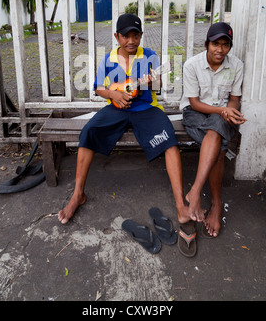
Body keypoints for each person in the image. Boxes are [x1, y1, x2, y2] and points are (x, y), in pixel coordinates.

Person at [58, 13, 192, 229]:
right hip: (116, 108)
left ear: (141, 36)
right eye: (126, 36)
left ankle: (180, 205)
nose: (131, 40)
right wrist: (114, 95)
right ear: (117, 36)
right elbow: (99, 87)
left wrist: (152, 80)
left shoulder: (150, 56)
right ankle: (78, 194)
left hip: (146, 108)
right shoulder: (108, 58)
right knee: (89, 132)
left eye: (136, 35)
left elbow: (157, 88)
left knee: (169, 138)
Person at [180, 22, 246, 238]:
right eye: (215, 44)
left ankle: (195, 192)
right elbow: (195, 103)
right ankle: (216, 203)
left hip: (221, 116)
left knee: (217, 130)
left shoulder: (236, 65)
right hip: (195, 112)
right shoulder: (192, 65)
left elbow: (234, 100)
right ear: (206, 43)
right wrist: (223, 111)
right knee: (220, 142)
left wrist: (230, 111)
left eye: (225, 45)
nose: (220, 49)